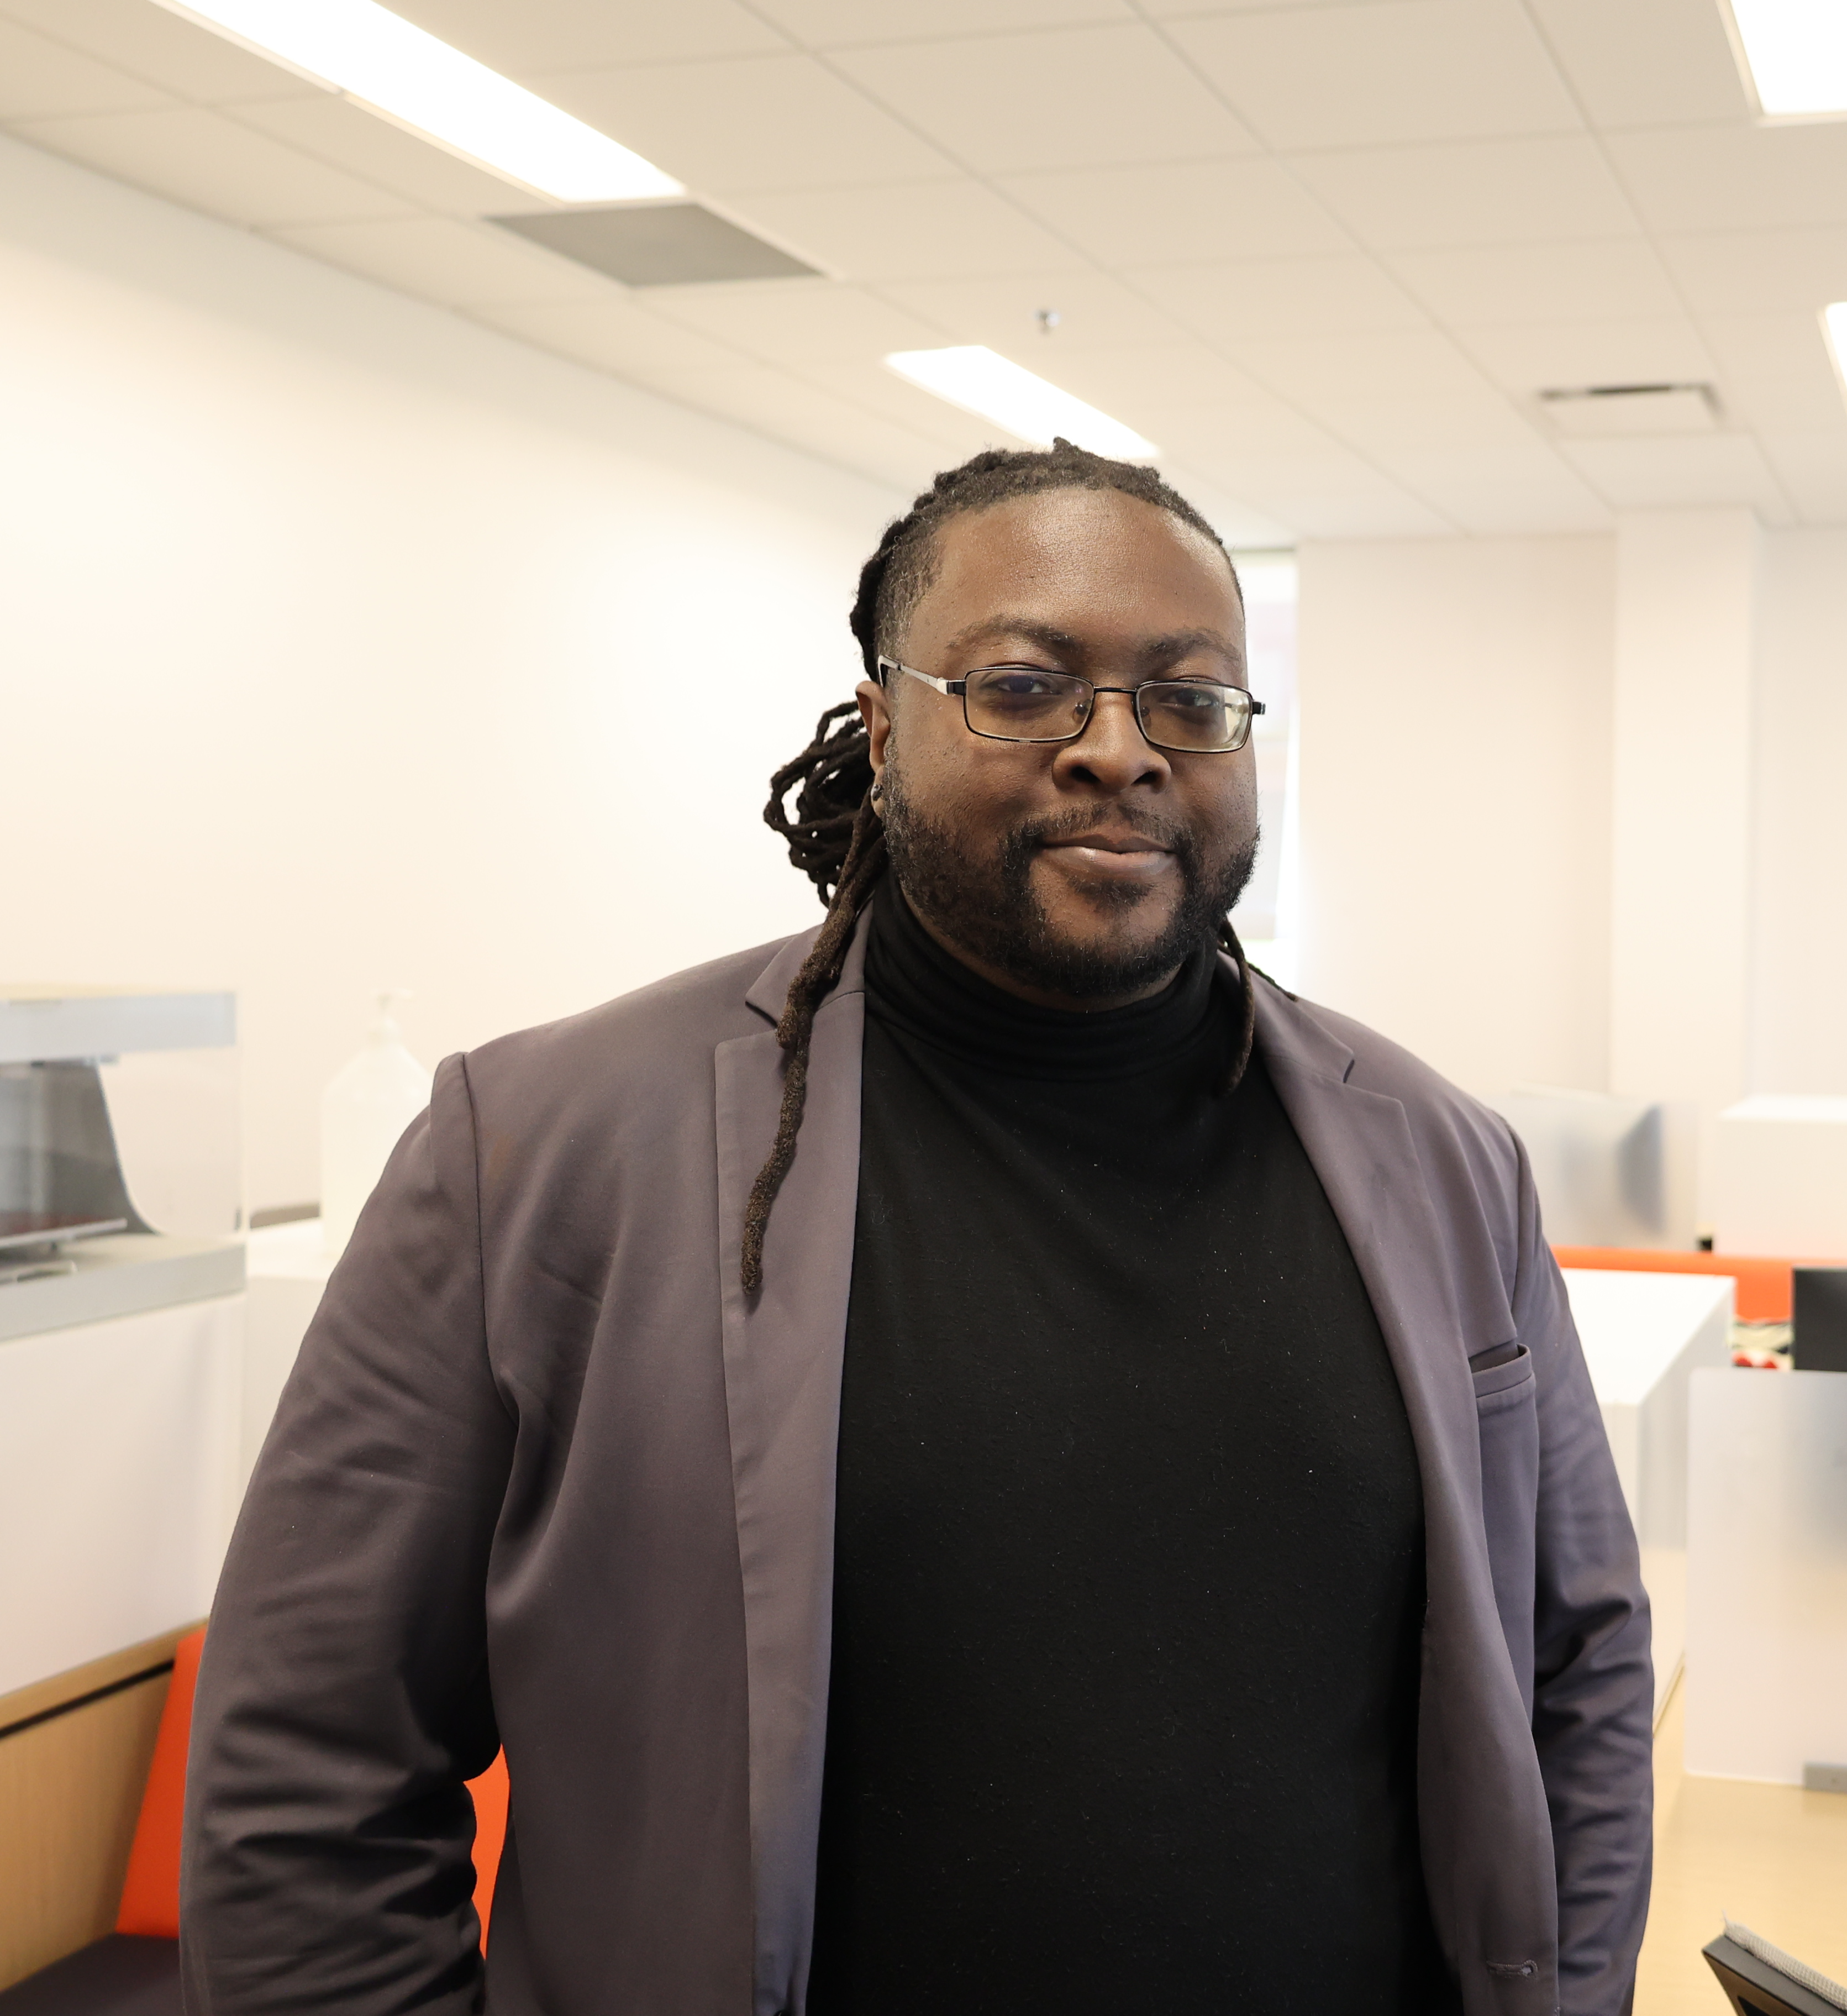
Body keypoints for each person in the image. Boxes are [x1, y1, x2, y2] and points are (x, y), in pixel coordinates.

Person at [182, 443, 1654, 2015]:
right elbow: (312, 1765)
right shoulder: (543, 1152)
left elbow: (1576, 1669)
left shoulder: (1442, 1164)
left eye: (1191, 699)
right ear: (883, 722)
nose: (1119, 750)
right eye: (1024, 687)